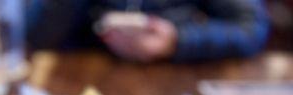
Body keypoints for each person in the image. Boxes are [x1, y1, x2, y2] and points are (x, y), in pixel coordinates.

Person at [26, 0, 269, 62]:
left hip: (181, 77)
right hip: (91, 75)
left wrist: (177, 40)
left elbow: (252, 28)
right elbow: (42, 36)